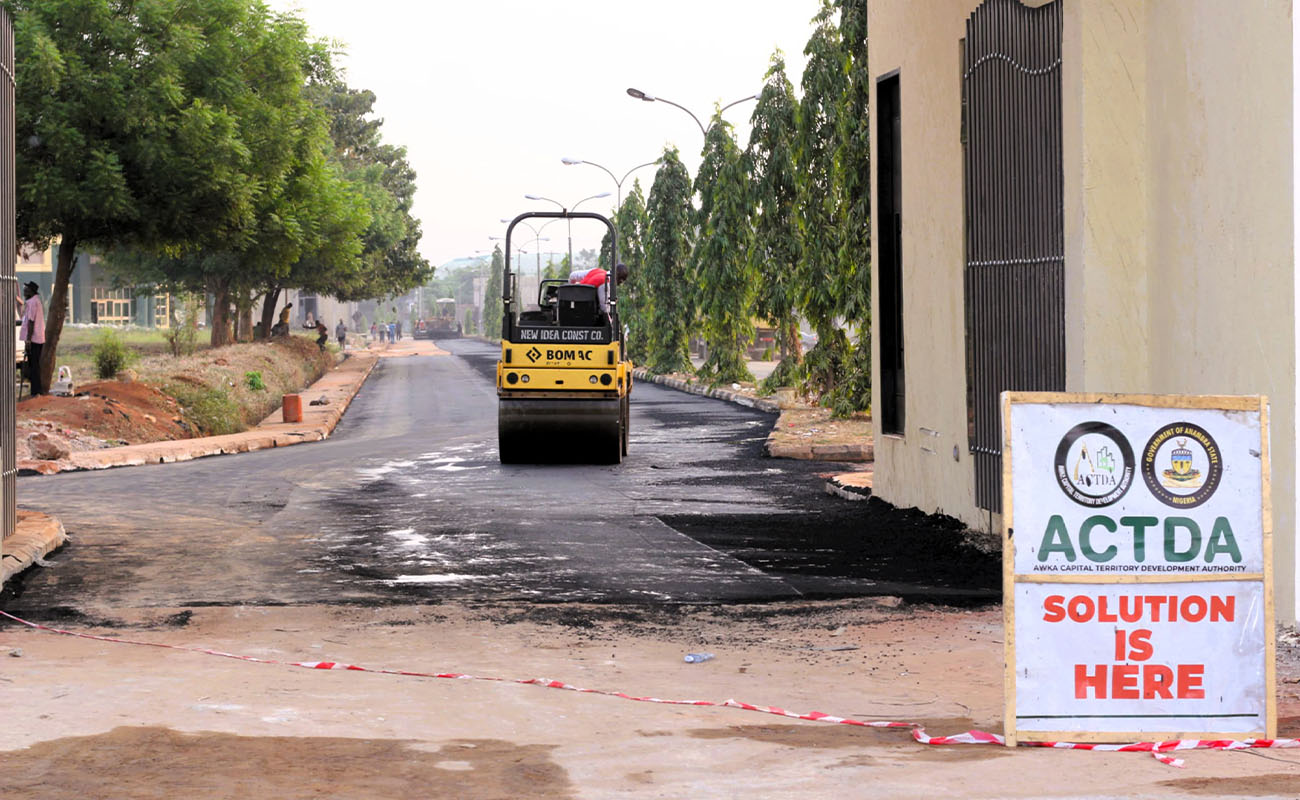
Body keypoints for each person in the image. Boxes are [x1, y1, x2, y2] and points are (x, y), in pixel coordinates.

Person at [16, 281, 45, 395]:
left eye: (26, 289)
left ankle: (36, 391)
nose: (24, 291)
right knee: (34, 365)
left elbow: (31, 322)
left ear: (31, 291)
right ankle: (37, 390)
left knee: (34, 365)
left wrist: (28, 339)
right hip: (36, 338)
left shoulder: (33, 303)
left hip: (34, 339)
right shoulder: (33, 301)